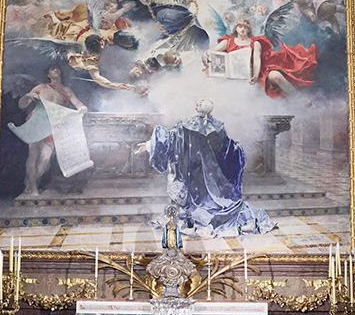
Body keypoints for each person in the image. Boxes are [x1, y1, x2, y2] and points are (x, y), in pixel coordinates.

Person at [136, 99, 275, 237]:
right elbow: (229, 150)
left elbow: (170, 140)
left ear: (197, 108)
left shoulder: (185, 126)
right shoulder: (218, 126)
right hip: (214, 177)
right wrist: (238, 149)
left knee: (195, 199)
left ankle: (199, 215)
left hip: (193, 174)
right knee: (215, 198)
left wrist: (149, 145)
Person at [11, 65, 89, 195]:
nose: (56, 70)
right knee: (33, 155)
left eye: (58, 68)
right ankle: (33, 187)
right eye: (53, 69)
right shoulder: (41, 88)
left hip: (54, 125)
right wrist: (28, 96)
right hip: (37, 122)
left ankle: (30, 182)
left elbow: (78, 104)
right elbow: (22, 105)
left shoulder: (66, 90)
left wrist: (82, 108)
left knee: (45, 159)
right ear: (48, 74)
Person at [211, 19, 317, 99]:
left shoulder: (255, 42)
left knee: (276, 76)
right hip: (234, 75)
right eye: (240, 26)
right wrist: (206, 55)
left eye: (245, 27)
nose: (243, 29)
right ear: (236, 28)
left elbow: (256, 60)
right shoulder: (228, 41)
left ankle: (299, 99)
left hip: (257, 72)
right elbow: (212, 52)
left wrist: (255, 75)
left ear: (249, 29)